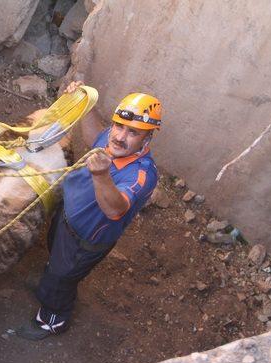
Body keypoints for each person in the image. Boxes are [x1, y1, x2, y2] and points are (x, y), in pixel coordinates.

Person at [17, 81, 162, 340]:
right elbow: (93, 136)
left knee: (62, 278)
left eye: (133, 133)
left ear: (147, 137)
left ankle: (52, 319)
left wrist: (102, 175)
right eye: (118, 126)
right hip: (68, 218)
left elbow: (115, 210)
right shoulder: (112, 137)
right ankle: (49, 283)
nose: (119, 136)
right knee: (56, 263)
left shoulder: (141, 174)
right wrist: (86, 104)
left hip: (85, 240)